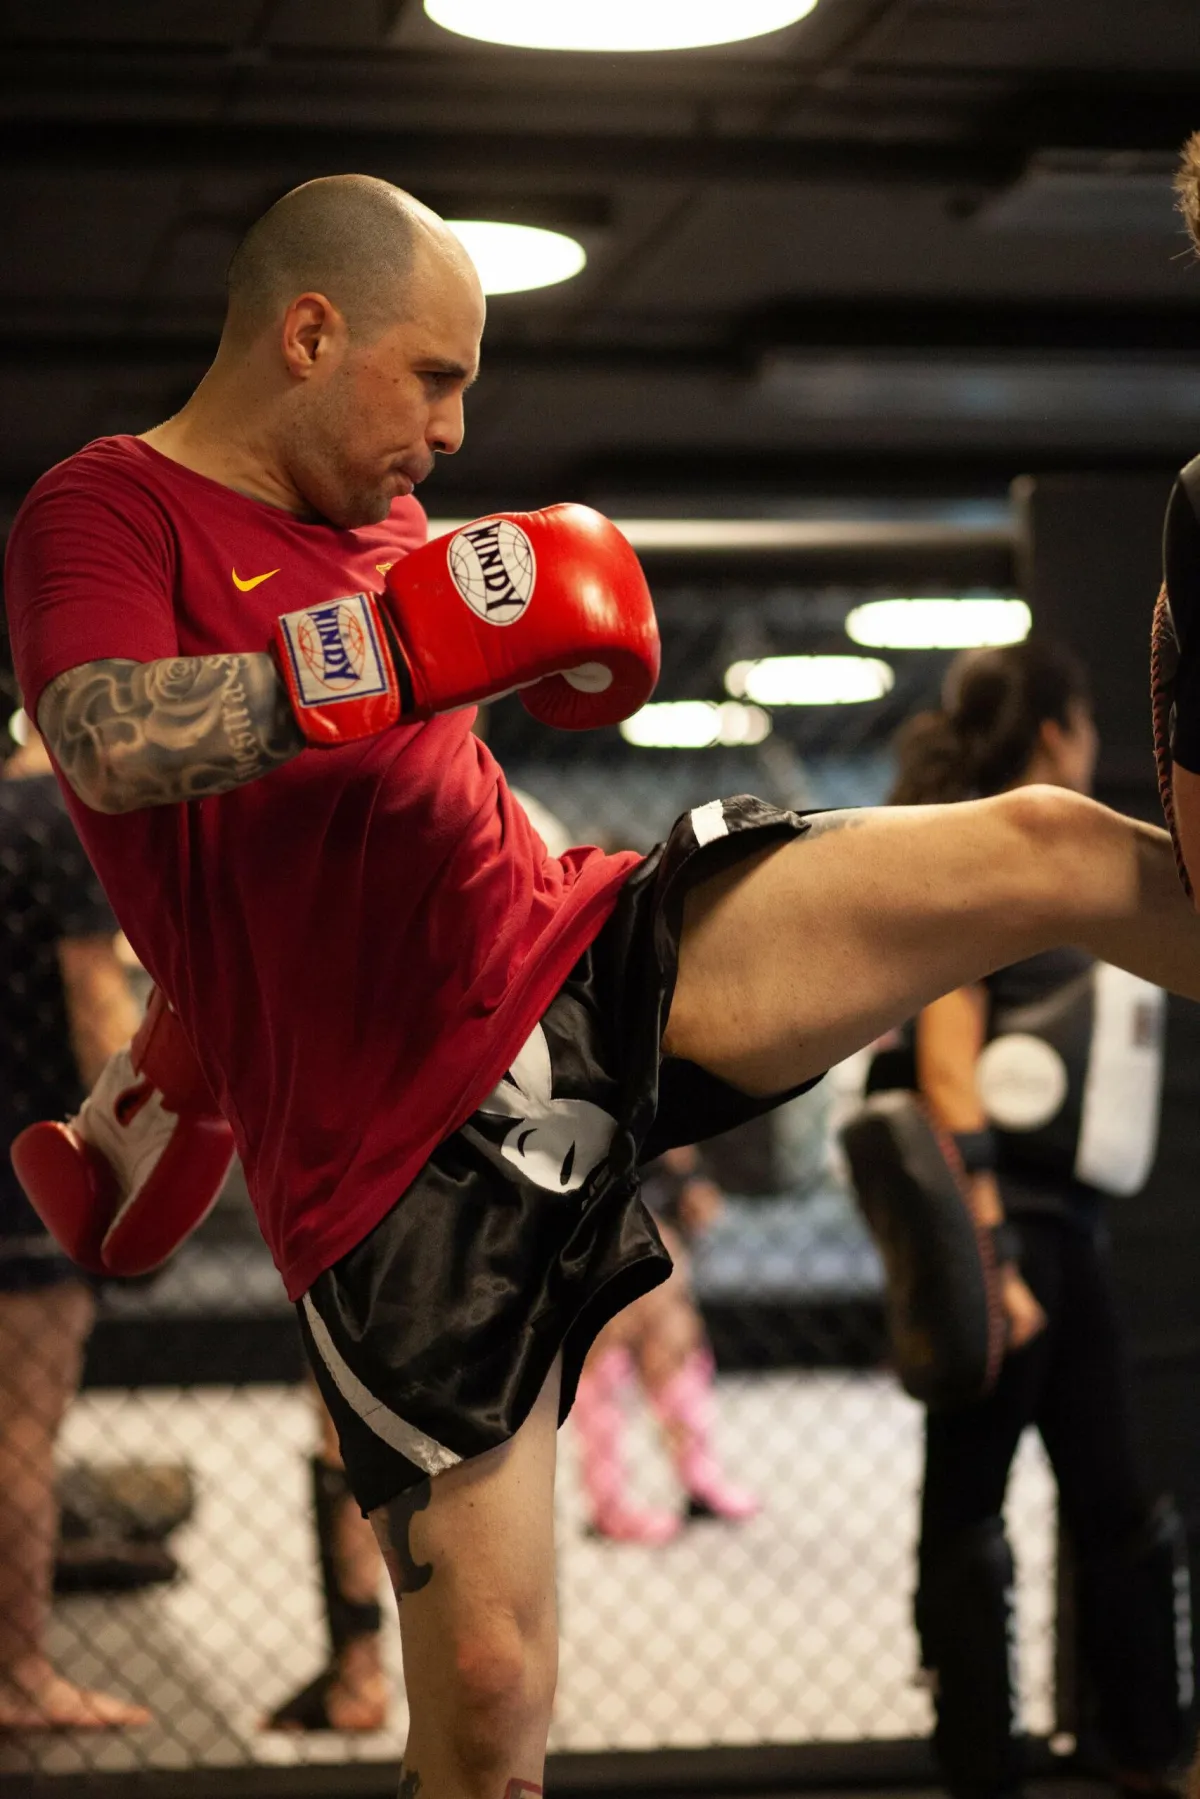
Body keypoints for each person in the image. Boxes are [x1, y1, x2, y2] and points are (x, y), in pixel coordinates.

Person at [8, 177, 1200, 1798]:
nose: (453, 426)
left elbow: (407, 815)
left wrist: (416, 651)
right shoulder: (108, 506)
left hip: (577, 957)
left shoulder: (390, 525)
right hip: (392, 1157)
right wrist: (392, 650)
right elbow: (104, 738)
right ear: (309, 332)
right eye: (433, 376)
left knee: (1048, 844)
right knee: (491, 1704)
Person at [867, 642, 1189, 1799]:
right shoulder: (992, 851)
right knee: (975, 1503)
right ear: (1058, 729)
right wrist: (994, 1254)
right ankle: (985, 1766)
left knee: (1106, 1495)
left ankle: (1144, 1745)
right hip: (1004, 1233)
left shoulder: (1040, 859)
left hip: (1057, 1233)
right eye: (1089, 720)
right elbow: (948, 1063)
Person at [0, 715, 148, 1730]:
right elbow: (102, 1017)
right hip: (25, 1165)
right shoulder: (63, 816)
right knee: (20, 1430)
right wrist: (141, 1161)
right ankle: (18, 1675)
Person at [572, 1145, 758, 1544]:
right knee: (610, 1329)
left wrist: (689, 1180)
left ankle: (693, 1479)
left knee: (667, 1331)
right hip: (583, 1179)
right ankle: (610, 1500)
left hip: (629, 1176)